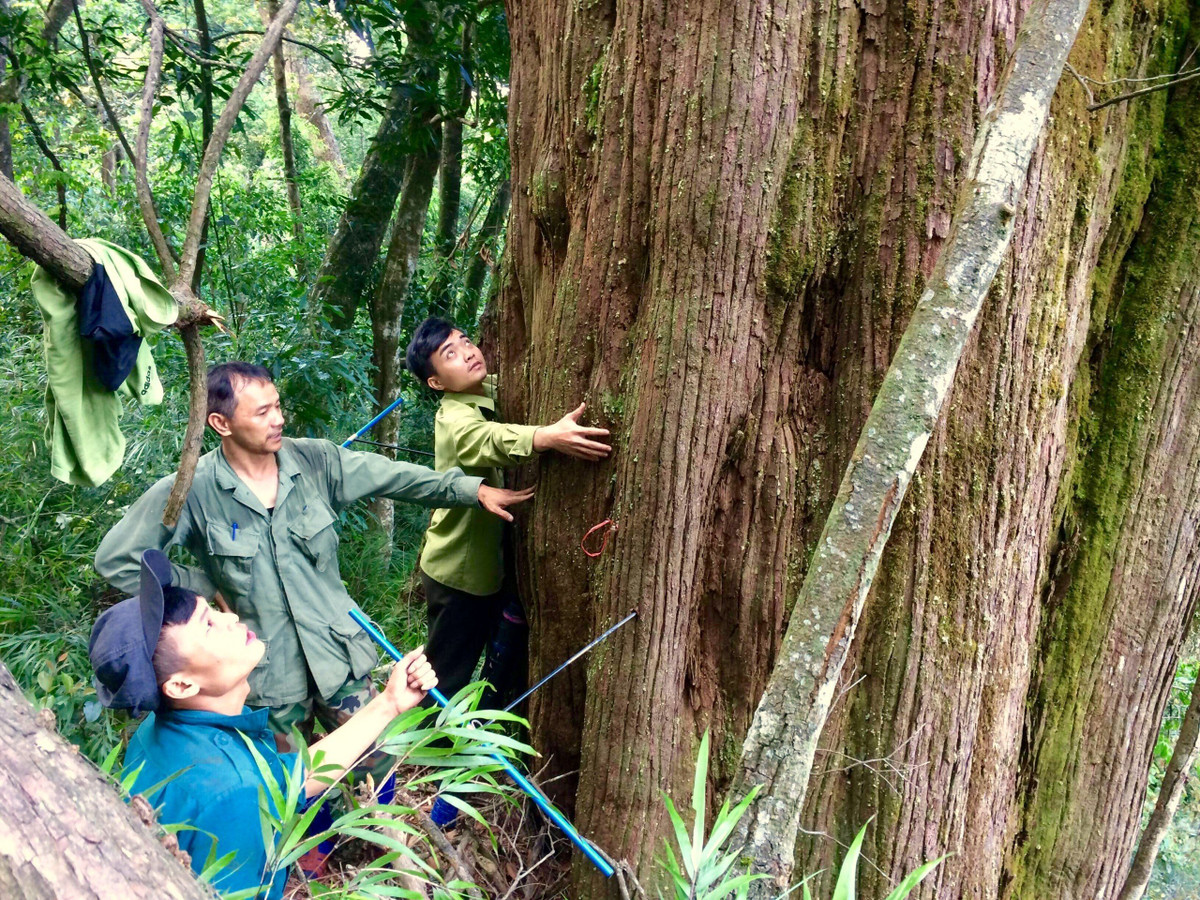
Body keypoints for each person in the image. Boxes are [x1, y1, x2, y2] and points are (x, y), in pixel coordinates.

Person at [95, 361, 532, 753]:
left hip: (339, 657)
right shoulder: (192, 488)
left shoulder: (314, 460)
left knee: (378, 758)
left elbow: (393, 477)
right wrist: (201, 588)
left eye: (277, 405)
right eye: (262, 412)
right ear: (220, 423)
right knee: (292, 785)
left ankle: (381, 833)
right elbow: (118, 559)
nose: (278, 419)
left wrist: (470, 490)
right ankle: (317, 839)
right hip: (267, 677)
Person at [88, 548, 438, 898]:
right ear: (181, 685)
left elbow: (289, 780)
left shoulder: (155, 733)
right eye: (208, 627)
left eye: (212, 611)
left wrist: (390, 703)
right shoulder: (233, 793)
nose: (230, 618)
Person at [404, 318, 611, 704]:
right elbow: (484, 438)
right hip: (458, 576)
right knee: (446, 673)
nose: (467, 352)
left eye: (465, 341)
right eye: (449, 354)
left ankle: (478, 726)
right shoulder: (453, 416)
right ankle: (429, 750)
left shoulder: (491, 390)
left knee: (503, 651)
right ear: (436, 382)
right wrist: (544, 436)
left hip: (488, 568)